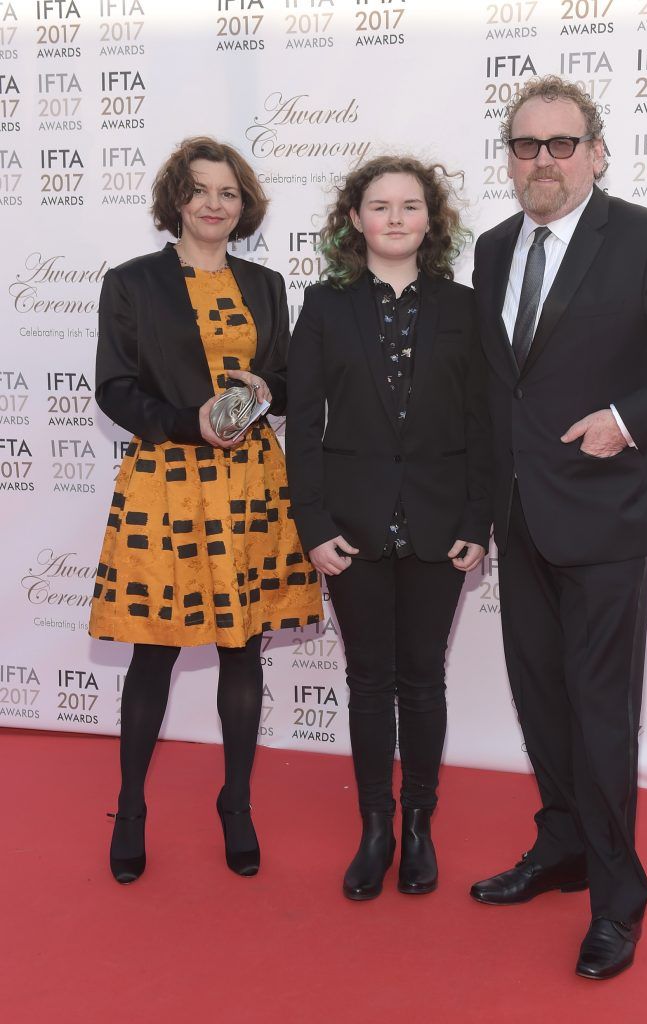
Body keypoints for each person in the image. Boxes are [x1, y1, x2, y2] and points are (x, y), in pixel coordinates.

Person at [470, 77, 647, 978]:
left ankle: (616, 901)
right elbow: (496, 389)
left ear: (596, 151)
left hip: (603, 517)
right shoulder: (489, 249)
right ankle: (559, 847)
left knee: (598, 715)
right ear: (509, 159)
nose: (542, 161)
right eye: (526, 146)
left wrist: (629, 418)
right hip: (517, 517)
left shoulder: (645, 239)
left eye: (560, 144)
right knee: (540, 701)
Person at [90, 136, 322, 884]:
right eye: (200, 191)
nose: (214, 204)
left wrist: (264, 393)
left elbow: (288, 381)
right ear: (176, 202)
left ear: (242, 203)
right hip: (168, 480)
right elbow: (115, 387)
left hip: (250, 482)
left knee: (242, 648)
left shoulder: (265, 283)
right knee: (152, 649)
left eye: (227, 192)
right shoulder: (132, 282)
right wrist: (189, 422)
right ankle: (130, 807)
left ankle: (237, 803)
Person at [286, 156, 492, 900]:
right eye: (380, 205)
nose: (396, 218)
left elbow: (483, 423)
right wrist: (311, 523)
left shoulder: (465, 307)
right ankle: (375, 828)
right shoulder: (324, 304)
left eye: (410, 205)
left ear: (431, 221)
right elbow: (302, 425)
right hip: (351, 524)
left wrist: (478, 518)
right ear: (354, 219)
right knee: (369, 681)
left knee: (424, 678)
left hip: (441, 523)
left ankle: (419, 829)